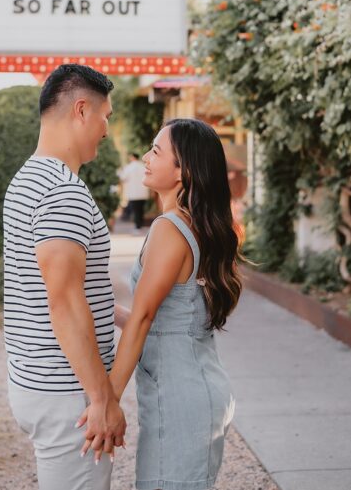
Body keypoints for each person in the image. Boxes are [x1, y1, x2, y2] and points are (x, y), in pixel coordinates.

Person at [3, 64, 125, 490]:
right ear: (81, 110)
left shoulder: (26, 179)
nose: (106, 130)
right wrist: (100, 398)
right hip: (66, 393)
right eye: (105, 116)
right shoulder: (63, 191)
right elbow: (65, 301)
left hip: (36, 376)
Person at [104, 118, 242, 490]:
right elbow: (171, 314)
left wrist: (108, 401)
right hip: (197, 389)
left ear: (183, 171)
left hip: (183, 400)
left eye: (156, 151)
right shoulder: (196, 224)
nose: (146, 158)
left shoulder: (169, 228)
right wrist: (107, 309)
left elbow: (147, 317)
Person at [117, 152, 149, 232]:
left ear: (133, 157)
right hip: (143, 193)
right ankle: (140, 225)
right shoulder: (143, 166)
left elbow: (123, 177)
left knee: (135, 210)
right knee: (141, 210)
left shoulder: (129, 167)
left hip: (133, 193)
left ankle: (137, 226)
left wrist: (119, 171)